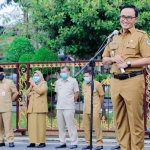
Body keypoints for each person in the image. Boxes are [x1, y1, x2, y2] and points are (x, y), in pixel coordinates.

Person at [102, 4, 150, 150]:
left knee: (134, 120)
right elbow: (104, 59)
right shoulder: (113, 37)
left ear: (135, 19)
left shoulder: (141, 36)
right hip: (116, 81)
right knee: (120, 120)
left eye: (129, 17)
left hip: (133, 80)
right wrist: (113, 59)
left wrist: (129, 63)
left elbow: (148, 58)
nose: (125, 19)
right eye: (123, 16)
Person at [55, 66, 79, 149]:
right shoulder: (58, 82)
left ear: (69, 72)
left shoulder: (73, 81)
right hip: (60, 107)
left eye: (64, 72)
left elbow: (76, 93)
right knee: (61, 126)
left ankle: (74, 142)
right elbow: (58, 93)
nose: (63, 73)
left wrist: (72, 101)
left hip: (69, 106)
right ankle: (62, 142)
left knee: (70, 125)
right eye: (62, 72)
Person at [82, 70, 104, 150]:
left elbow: (101, 96)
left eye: (87, 76)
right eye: (84, 76)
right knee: (86, 127)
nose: (85, 78)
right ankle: (88, 143)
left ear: (91, 76)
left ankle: (99, 143)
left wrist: (98, 107)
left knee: (96, 126)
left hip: (95, 108)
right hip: (86, 108)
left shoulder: (97, 84)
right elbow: (84, 94)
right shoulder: (84, 84)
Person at [26, 70, 48, 148]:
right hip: (32, 108)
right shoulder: (33, 84)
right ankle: (32, 142)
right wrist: (31, 86)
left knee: (40, 126)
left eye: (37, 75)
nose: (35, 77)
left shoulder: (44, 83)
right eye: (34, 76)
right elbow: (26, 93)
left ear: (41, 76)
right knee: (32, 126)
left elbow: (41, 91)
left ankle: (42, 142)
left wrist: (33, 85)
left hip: (40, 108)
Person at [0, 67, 19, 147]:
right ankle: (1, 140)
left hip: (6, 107)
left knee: (8, 125)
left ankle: (10, 140)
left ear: (3, 74)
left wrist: (10, 100)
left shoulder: (9, 82)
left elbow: (16, 92)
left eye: (0, 73)